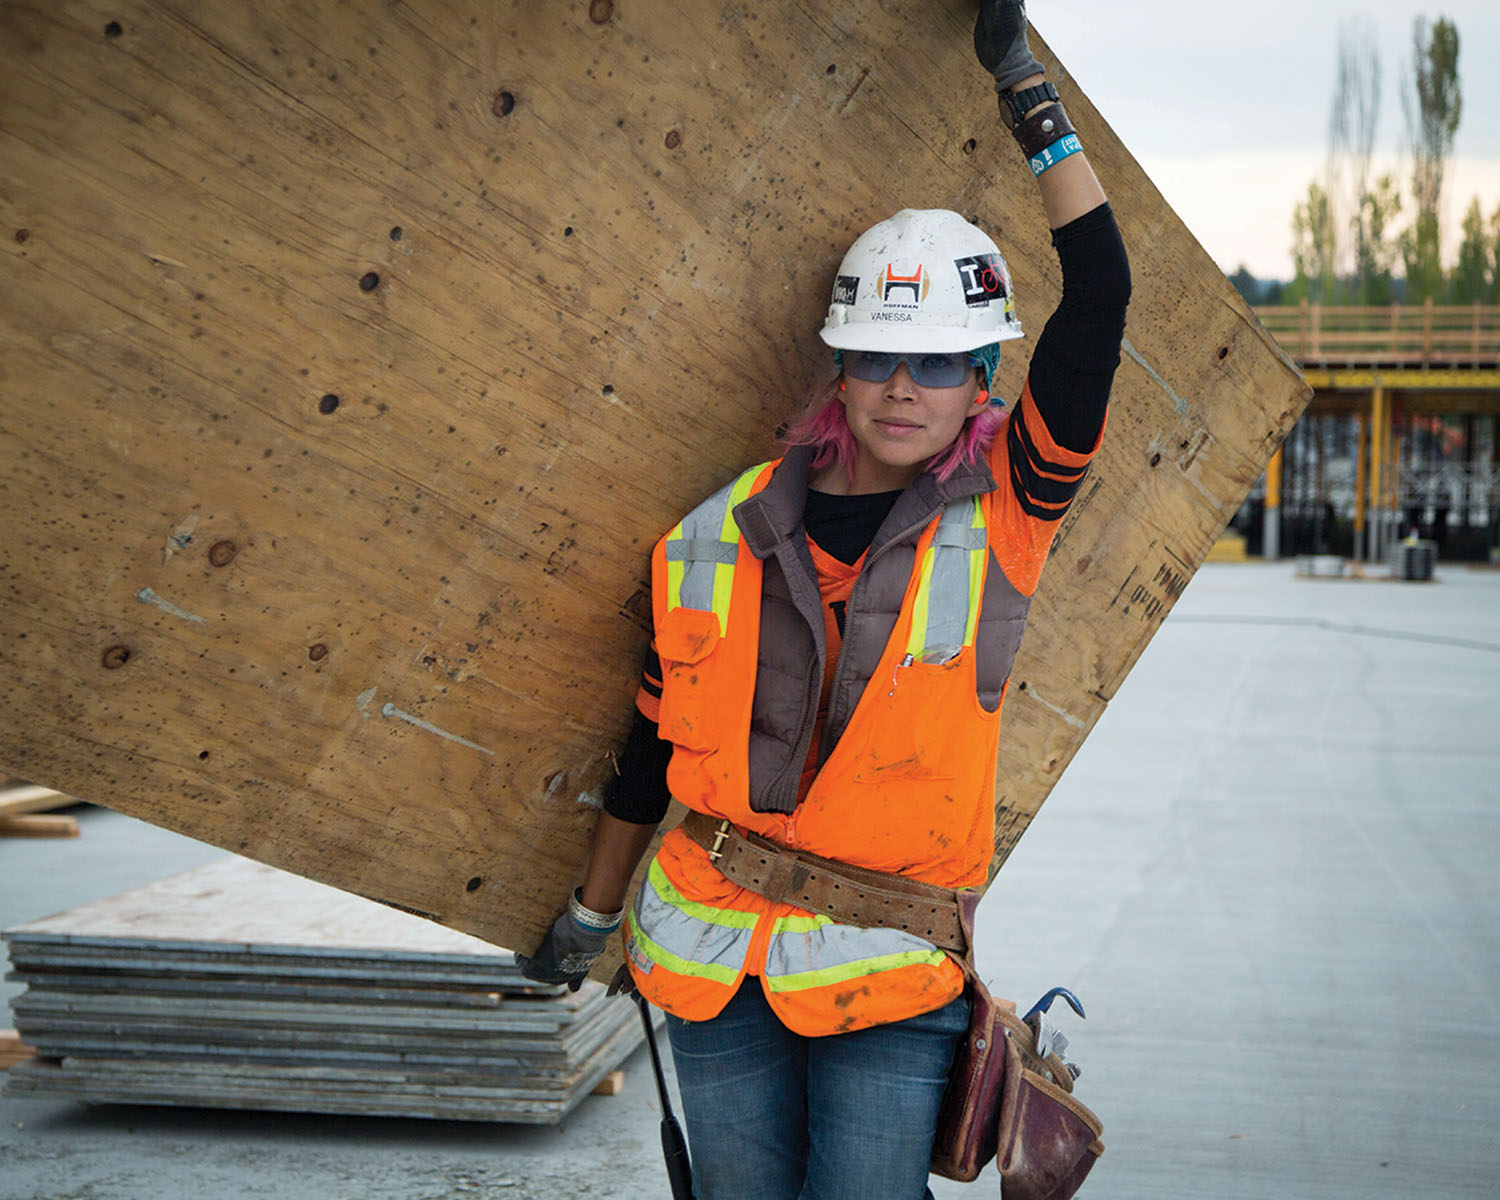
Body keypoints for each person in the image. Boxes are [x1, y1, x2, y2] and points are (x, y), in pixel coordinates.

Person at [518, 4, 1130, 1196]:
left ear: (979, 385)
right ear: (839, 368)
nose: (904, 388)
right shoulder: (713, 536)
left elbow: (1099, 298)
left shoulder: (1009, 513)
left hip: (887, 969)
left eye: (941, 364)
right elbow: (651, 745)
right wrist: (593, 919)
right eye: (878, 358)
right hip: (706, 957)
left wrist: (1024, 87)